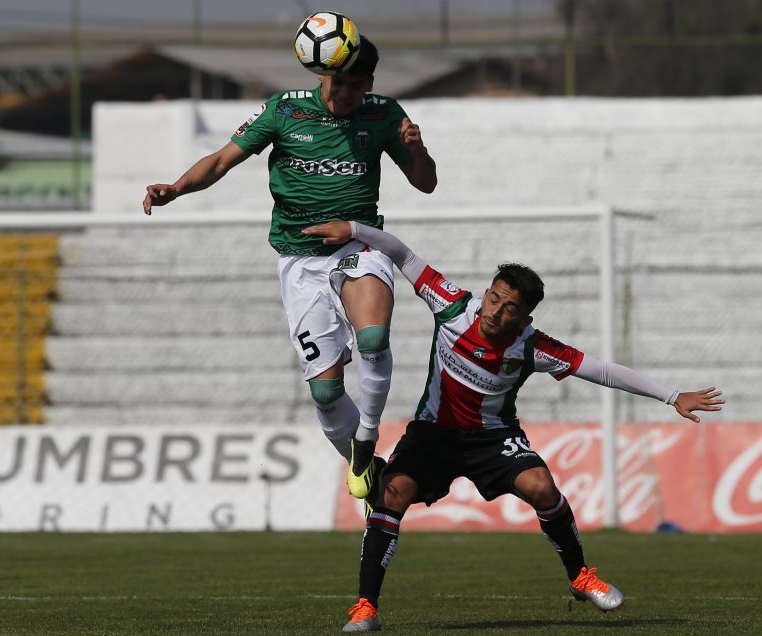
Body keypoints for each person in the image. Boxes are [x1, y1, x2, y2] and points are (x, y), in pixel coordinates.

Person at [302, 220, 724, 632]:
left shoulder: (532, 347)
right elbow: (400, 252)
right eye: (494, 299)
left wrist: (672, 396)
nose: (496, 312)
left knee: (542, 487)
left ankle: (580, 576)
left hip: (493, 438)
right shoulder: (450, 305)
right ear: (485, 294)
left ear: (525, 318)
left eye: (511, 309)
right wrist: (356, 231)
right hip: (433, 433)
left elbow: (604, 371)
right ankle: (365, 608)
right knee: (391, 494)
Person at [142, 35, 437, 502]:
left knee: (374, 339)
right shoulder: (284, 109)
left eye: (357, 86)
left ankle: (367, 436)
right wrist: (176, 189)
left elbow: (426, 185)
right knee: (325, 395)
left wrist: (416, 150)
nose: (347, 95)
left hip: (358, 244)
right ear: (323, 73)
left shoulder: (384, 114)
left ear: (370, 83)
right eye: (340, 83)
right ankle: (362, 463)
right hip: (299, 260)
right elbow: (221, 160)